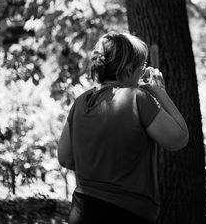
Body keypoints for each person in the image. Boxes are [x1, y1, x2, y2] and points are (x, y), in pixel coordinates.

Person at [57, 32, 189, 224]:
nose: (143, 73)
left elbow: (65, 158)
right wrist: (161, 93)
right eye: (141, 67)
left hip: (83, 209)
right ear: (128, 71)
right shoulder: (137, 99)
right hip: (128, 212)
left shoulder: (81, 102)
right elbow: (180, 138)